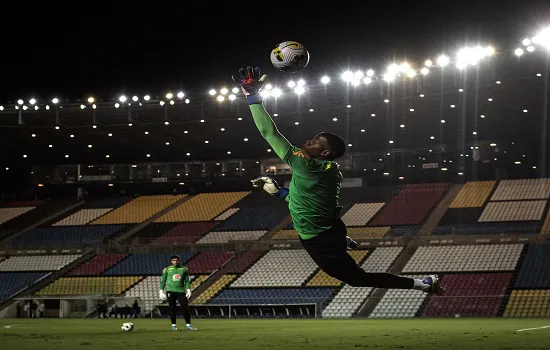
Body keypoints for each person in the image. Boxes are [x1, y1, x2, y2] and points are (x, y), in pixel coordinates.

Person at [233, 67, 444, 295]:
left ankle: (422, 284)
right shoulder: (330, 169)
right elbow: (310, 201)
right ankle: (343, 241)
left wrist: (252, 97)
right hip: (330, 228)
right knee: (332, 234)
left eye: (316, 142)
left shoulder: (305, 165)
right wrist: (281, 193)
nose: (309, 141)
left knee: (356, 279)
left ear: (324, 153)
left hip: (321, 238)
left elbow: (269, 133)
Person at [159, 255, 197, 331]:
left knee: (185, 307)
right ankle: (173, 326)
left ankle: (188, 325)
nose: (175, 262)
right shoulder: (167, 269)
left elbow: (186, 281)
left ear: (179, 261)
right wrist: (161, 291)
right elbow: (163, 280)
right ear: (171, 261)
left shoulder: (184, 269)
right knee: (172, 308)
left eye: (177, 260)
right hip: (170, 291)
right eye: (173, 260)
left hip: (181, 291)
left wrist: (189, 290)